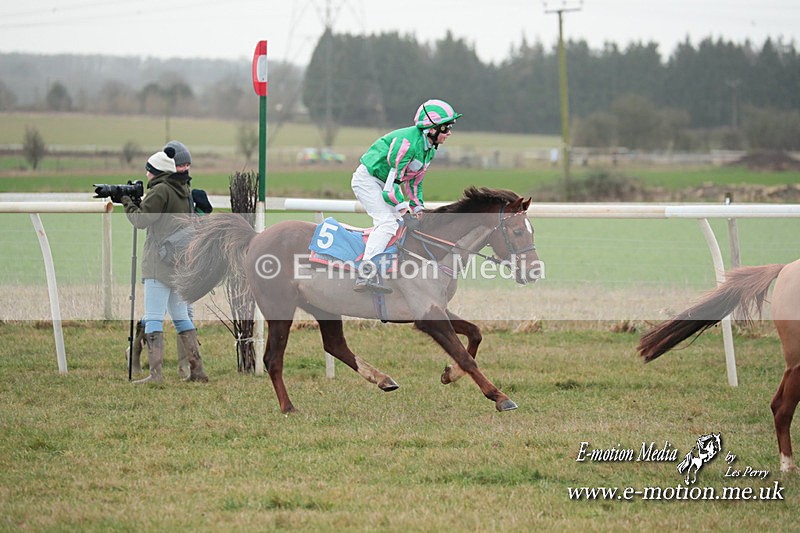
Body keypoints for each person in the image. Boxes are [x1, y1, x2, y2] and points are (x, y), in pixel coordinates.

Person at [351, 98, 461, 293]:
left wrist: (417, 208)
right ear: (432, 129)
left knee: (401, 224)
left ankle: (389, 268)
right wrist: (404, 209)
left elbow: (414, 183)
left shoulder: (429, 150)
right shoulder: (407, 144)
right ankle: (365, 272)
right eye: (446, 128)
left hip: (386, 182)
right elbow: (390, 189)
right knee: (388, 223)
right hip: (368, 180)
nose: (449, 133)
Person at [121, 147, 208, 384]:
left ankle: (155, 374)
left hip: (159, 263)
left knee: (153, 317)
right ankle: (197, 370)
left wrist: (126, 202)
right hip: (179, 262)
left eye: (149, 170)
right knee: (181, 315)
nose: (147, 174)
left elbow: (140, 220)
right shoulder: (183, 189)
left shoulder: (160, 190)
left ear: (156, 171)